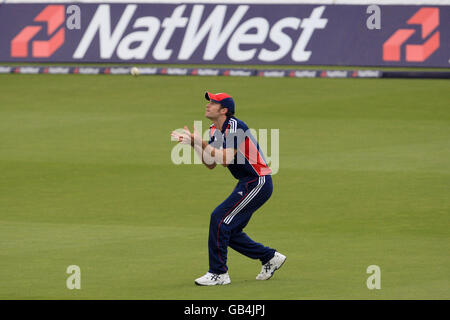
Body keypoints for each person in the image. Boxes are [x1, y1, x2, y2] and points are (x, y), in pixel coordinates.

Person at [171, 92, 286, 286]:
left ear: (224, 110)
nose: (208, 105)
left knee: (219, 218)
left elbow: (225, 157)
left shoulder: (235, 126)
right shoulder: (215, 129)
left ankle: (218, 273)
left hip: (257, 181)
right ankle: (269, 257)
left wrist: (200, 142)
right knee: (228, 230)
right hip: (247, 182)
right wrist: (194, 144)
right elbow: (211, 162)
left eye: (213, 103)